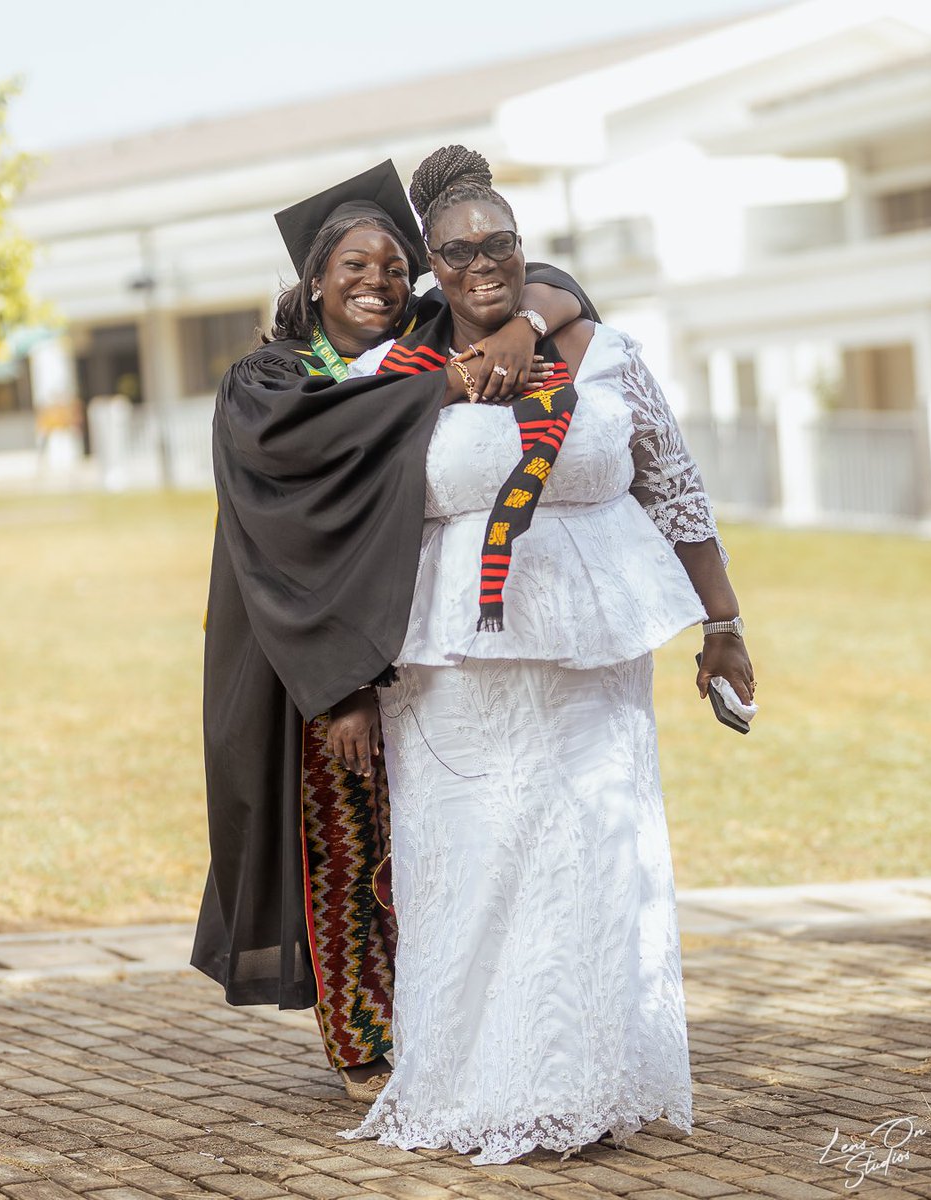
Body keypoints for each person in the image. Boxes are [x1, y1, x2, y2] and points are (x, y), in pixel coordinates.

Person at [339, 146, 755, 1163]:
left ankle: (593, 1078)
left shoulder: (603, 352)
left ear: (528, 252)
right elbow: (337, 535)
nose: (486, 263)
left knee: (593, 859)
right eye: (461, 250)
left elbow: (674, 484)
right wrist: (342, 676)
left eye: (504, 244)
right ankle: (481, 1084)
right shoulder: (388, 378)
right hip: (450, 663)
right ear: (431, 266)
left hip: (598, 648)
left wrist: (723, 622)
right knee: (476, 866)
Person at [192, 160, 595, 1102]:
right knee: (344, 848)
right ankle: (364, 1048)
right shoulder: (272, 382)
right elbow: (288, 541)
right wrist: (339, 687)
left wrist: (525, 329)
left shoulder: (412, 343)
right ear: (315, 282)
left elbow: (565, 289)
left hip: (408, 650)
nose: (376, 282)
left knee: (418, 850)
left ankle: (431, 1023)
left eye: (391, 266)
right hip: (307, 657)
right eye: (354, 267)